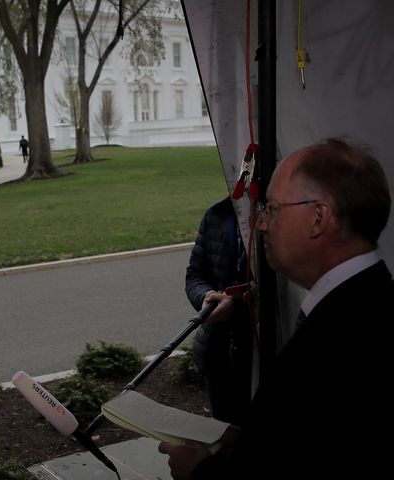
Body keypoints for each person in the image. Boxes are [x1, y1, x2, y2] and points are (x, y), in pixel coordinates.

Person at [159, 138, 393, 479]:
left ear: (318, 218)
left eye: (272, 208)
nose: (261, 223)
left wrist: (199, 472)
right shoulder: (362, 302)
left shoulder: (345, 336)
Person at [185, 196, 252, 425]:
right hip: (219, 354)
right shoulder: (216, 214)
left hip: (258, 353)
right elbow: (195, 274)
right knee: (222, 435)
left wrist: (238, 305)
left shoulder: (280, 218)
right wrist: (208, 299)